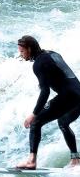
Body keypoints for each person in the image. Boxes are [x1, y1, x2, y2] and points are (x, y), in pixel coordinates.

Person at [16, 35, 80, 169]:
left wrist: (34, 114)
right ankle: (76, 160)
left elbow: (45, 92)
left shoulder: (38, 64)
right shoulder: (53, 54)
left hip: (68, 96)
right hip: (78, 94)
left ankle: (31, 161)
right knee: (63, 122)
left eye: (22, 51)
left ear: (29, 48)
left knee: (36, 122)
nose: (20, 55)